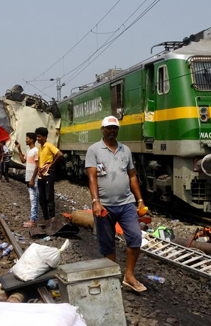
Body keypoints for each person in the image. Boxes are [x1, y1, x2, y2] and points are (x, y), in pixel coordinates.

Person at [86, 116, 147, 293]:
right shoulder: (94, 150)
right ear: (102, 129)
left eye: (115, 128)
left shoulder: (125, 150)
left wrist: (140, 199)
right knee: (107, 244)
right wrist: (96, 202)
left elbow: (132, 175)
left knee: (135, 237)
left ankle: (129, 276)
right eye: (109, 128)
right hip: (104, 205)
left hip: (126, 203)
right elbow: (92, 177)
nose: (112, 131)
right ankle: (113, 276)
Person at [35, 127, 63, 220]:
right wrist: (39, 168)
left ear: (44, 137)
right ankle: (46, 218)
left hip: (48, 175)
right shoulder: (40, 148)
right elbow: (39, 159)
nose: (37, 138)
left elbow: (60, 154)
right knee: (42, 199)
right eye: (37, 137)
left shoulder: (49, 146)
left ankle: (52, 219)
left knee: (49, 198)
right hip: (41, 176)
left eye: (39, 137)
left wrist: (51, 165)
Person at [15, 132, 39, 227]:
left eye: (27, 138)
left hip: (33, 179)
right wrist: (19, 149)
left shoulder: (35, 151)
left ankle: (33, 220)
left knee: (33, 200)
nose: (26, 140)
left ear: (32, 140)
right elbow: (23, 160)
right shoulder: (29, 150)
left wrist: (32, 179)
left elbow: (37, 166)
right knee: (33, 199)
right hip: (29, 178)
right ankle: (34, 219)